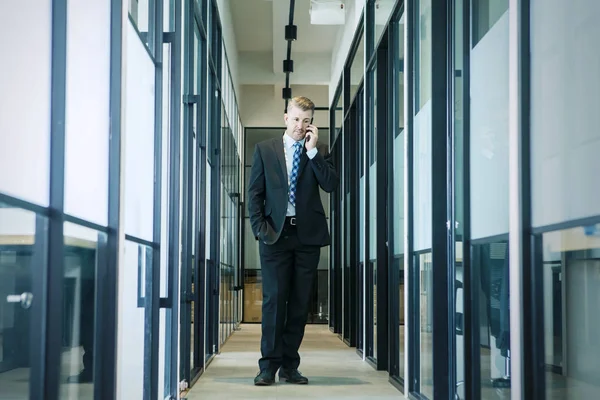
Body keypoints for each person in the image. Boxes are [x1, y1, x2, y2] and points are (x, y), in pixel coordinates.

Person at [247, 96, 339, 386]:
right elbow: (254, 194)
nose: (301, 126)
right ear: (286, 117)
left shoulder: (320, 150)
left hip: (307, 237)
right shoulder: (265, 150)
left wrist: (312, 153)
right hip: (275, 235)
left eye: (307, 120)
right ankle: (267, 367)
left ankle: (290, 365)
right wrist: (260, 229)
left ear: (312, 122)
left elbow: (331, 184)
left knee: (299, 305)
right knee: (274, 301)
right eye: (296, 119)